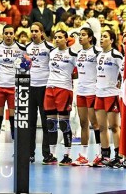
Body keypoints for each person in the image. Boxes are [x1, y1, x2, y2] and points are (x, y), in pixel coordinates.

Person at [0, 24, 26, 162]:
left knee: (14, 120)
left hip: (14, 88)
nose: (9, 35)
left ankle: (17, 152)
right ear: (2, 34)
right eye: (6, 33)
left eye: (11, 33)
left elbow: (28, 65)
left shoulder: (22, 49)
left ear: (14, 34)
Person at [89, 30, 123, 168]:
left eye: (105, 37)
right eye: (101, 36)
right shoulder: (98, 55)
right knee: (102, 127)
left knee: (114, 127)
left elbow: (124, 72)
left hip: (112, 94)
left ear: (112, 40)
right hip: (99, 94)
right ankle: (105, 156)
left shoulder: (116, 55)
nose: (102, 39)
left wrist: (120, 82)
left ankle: (119, 156)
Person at [44, 30, 77, 166]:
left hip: (64, 89)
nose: (57, 39)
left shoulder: (73, 55)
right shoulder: (51, 53)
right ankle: (52, 154)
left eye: (60, 37)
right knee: (51, 123)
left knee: (64, 123)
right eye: (55, 37)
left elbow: (79, 72)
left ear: (66, 39)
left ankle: (67, 155)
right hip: (49, 87)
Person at [71, 28, 102, 166]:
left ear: (90, 38)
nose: (80, 37)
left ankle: (100, 154)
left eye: (83, 35)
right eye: (80, 35)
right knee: (83, 123)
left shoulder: (97, 52)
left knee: (95, 124)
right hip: (81, 91)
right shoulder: (79, 53)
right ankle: (83, 156)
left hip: (93, 91)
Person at [26, 22, 54, 164]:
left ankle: (46, 154)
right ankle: (30, 153)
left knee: (45, 122)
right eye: (32, 31)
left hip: (45, 87)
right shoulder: (27, 48)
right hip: (31, 88)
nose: (34, 33)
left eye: (36, 31)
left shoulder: (49, 48)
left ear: (42, 32)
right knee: (30, 122)